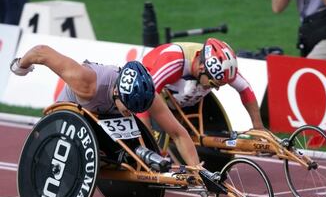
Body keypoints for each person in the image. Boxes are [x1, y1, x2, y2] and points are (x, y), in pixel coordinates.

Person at [9, 44, 200, 167]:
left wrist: (196, 168)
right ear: (117, 92)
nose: (131, 113)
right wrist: (20, 65)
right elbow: (41, 52)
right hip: (72, 118)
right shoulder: (86, 82)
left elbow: (177, 132)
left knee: (136, 152)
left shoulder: (148, 96)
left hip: (104, 118)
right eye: (129, 107)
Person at [139, 38, 264, 130]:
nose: (217, 88)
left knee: (195, 88)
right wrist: (146, 133)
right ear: (201, 68)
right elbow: (142, 95)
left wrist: (258, 126)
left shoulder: (221, 68)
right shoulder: (173, 62)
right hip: (148, 86)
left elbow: (245, 88)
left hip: (178, 86)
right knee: (191, 89)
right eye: (213, 84)